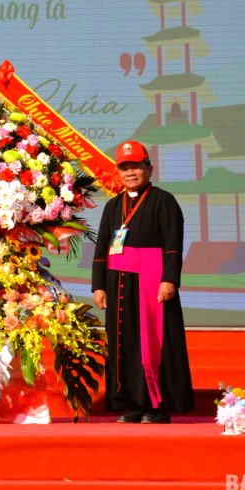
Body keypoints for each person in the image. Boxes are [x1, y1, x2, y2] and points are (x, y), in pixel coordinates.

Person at [91, 140, 194, 423]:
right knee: (124, 344)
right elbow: (102, 247)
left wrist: (169, 280)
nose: (130, 172)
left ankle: (158, 406)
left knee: (154, 343)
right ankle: (133, 404)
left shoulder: (164, 200)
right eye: (124, 168)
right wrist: (99, 286)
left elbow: (174, 244)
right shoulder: (113, 205)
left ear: (149, 167)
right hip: (118, 284)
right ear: (118, 173)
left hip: (152, 284)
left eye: (136, 166)